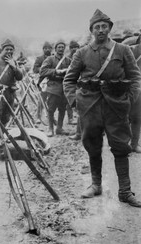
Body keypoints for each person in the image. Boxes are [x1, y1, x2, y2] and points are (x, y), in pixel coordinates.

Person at [63, 9, 141, 207]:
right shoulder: (81, 53)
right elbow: (69, 80)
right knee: (93, 146)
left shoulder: (123, 50)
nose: (100, 30)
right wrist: (75, 102)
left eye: (104, 26)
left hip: (116, 106)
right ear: (91, 30)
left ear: (109, 28)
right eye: (96, 27)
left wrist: (130, 99)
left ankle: (124, 191)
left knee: (121, 147)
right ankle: (96, 185)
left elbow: (135, 77)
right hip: (90, 108)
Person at [40, 40, 71, 137]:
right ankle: (50, 129)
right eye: (59, 47)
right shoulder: (50, 59)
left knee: (63, 108)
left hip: (64, 87)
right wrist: (58, 71)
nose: (61, 49)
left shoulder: (68, 60)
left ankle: (59, 128)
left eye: (62, 47)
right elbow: (43, 71)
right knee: (51, 109)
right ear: (55, 49)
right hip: (53, 87)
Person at [33, 41, 53, 124]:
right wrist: (43, 69)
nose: (47, 50)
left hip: (52, 81)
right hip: (42, 82)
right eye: (45, 48)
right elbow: (34, 69)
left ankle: (51, 118)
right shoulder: (39, 59)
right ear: (43, 49)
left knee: (52, 101)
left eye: (49, 48)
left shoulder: (54, 58)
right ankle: (38, 116)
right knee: (42, 100)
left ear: (51, 49)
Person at [129, 34, 141, 153]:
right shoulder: (131, 50)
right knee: (124, 117)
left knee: (137, 117)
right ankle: (122, 144)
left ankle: (134, 144)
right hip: (130, 87)